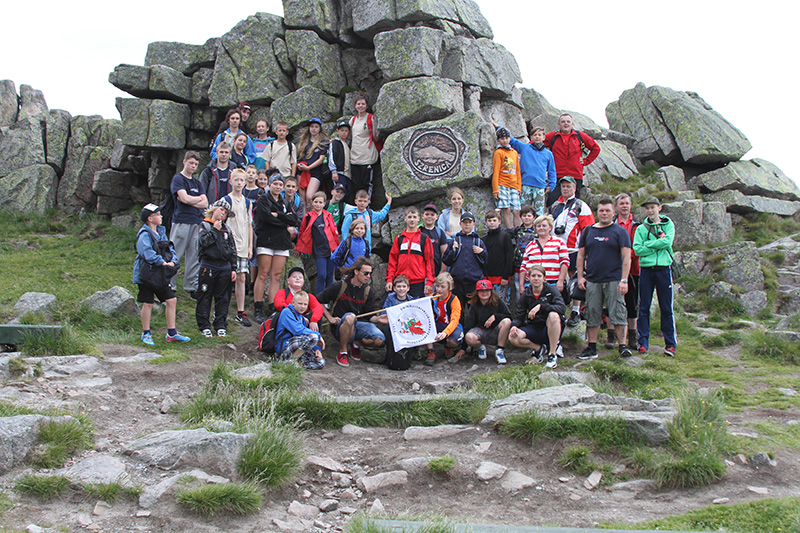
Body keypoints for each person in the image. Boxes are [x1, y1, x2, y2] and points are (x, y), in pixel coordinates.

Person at [575, 198, 632, 360]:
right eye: (601, 210)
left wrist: (624, 280)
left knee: (618, 311)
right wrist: (580, 277)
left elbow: (627, 257)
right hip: (592, 279)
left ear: (613, 213)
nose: (604, 213)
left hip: (614, 279)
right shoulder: (588, 231)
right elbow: (581, 255)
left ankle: (622, 346)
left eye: (607, 211)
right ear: (597, 212)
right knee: (592, 312)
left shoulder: (620, 231)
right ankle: (592, 347)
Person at [134, 204, 190, 345]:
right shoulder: (144, 234)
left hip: (160, 274)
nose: (161, 216)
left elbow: (169, 248)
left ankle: (172, 333)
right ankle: (146, 333)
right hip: (147, 274)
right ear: (150, 219)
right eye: (158, 215)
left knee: (171, 300)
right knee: (148, 303)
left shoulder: (161, 231)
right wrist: (163, 262)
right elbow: (147, 253)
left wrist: (173, 260)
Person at [318, 257, 384, 368]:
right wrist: (330, 318)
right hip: (340, 325)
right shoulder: (339, 286)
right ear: (356, 272)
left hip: (359, 326)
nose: (368, 276)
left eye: (370, 273)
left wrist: (378, 319)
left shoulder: (368, 291)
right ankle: (342, 352)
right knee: (350, 317)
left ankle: (356, 343)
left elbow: (369, 315)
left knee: (379, 340)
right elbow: (317, 301)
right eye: (366, 273)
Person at [633, 197, 677, 357]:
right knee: (643, 307)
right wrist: (657, 244)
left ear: (659, 208)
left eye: (652, 207)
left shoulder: (668, 224)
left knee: (666, 307)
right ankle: (643, 343)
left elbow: (667, 242)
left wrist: (648, 245)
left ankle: (670, 344)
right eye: (647, 208)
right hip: (646, 270)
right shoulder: (641, 228)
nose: (650, 211)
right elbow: (637, 249)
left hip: (663, 269)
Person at [253, 173, 299, 323]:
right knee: (262, 274)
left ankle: (273, 307)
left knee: (277, 276)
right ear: (270, 185)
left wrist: (278, 215)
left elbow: (294, 219)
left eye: (280, 184)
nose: (278, 187)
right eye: (275, 184)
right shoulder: (263, 199)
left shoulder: (285, 201)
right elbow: (266, 218)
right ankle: (258, 307)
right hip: (266, 239)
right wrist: (283, 221)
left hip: (282, 242)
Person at [550, 176, 595, 326]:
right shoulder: (555, 205)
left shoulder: (580, 205)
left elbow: (588, 228)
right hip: (556, 249)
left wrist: (586, 248)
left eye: (568, 186)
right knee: (557, 279)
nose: (565, 189)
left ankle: (576, 311)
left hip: (573, 248)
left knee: (575, 278)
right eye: (563, 186)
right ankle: (558, 309)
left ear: (574, 188)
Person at [494, 124, 557, 216]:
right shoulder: (525, 148)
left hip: (540, 186)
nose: (537, 137)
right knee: (524, 211)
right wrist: (499, 127)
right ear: (531, 137)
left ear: (544, 137)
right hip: (525, 185)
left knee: (539, 213)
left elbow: (552, 171)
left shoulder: (548, 154)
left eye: (539, 135)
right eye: (535, 135)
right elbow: (511, 139)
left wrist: (551, 186)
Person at [509, 265, 565, 369]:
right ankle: (538, 349)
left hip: (550, 328)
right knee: (513, 337)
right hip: (534, 327)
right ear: (529, 278)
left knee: (553, 315)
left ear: (544, 278)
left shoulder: (551, 290)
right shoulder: (526, 294)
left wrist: (541, 307)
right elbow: (519, 315)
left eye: (539, 276)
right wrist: (514, 326)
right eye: (533, 276)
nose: (536, 278)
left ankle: (552, 354)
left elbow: (562, 308)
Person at [196, 199, 238, 338]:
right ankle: (204, 325)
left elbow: (232, 249)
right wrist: (215, 230)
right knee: (205, 296)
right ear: (214, 209)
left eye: (225, 213)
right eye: (221, 210)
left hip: (225, 268)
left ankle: (220, 324)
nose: (222, 214)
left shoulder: (227, 229)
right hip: (208, 266)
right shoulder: (205, 225)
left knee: (223, 298)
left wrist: (233, 268)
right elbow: (203, 243)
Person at [169, 151, 207, 297]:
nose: (193, 166)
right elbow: (183, 198)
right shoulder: (178, 179)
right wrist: (196, 199)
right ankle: (170, 284)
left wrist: (191, 200)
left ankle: (191, 286)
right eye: (191, 163)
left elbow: (205, 203)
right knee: (175, 254)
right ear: (184, 162)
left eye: (196, 164)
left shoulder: (197, 183)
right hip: (181, 221)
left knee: (194, 255)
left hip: (196, 222)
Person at [221, 169, 253, 327]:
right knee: (226, 278)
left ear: (245, 182)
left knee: (241, 278)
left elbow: (249, 225)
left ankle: (240, 311)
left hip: (243, 245)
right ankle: (222, 310)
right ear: (230, 181)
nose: (239, 183)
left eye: (241, 180)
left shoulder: (248, 202)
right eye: (236, 180)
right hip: (228, 246)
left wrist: (250, 246)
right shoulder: (225, 200)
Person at [544, 114, 601, 202]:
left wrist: (586, 161)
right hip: (557, 176)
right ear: (559, 124)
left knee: (573, 204)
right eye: (563, 122)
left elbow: (596, 148)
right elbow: (536, 143)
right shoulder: (553, 136)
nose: (566, 123)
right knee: (553, 203)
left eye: (568, 121)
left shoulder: (579, 135)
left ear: (572, 124)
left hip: (575, 176)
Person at [295, 191, 340, 294]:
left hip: (330, 249)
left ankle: (328, 298)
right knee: (322, 275)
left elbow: (333, 232)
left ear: (324, 203)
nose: (318, 204)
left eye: (320, 202)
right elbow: (302, 232)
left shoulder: (328, 215)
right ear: (312, 202)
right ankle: (320, 298)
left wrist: (336, 248)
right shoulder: (308, 216)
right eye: (316, 202)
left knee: (330, 276)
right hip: (318, 250)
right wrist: (298, 248)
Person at [386, 206, 436, 299]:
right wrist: (389, 279)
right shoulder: (399, 238)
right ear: (405, 218)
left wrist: (429, 282)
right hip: (401, 282)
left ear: (418, 219)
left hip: (418, 283)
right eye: (409, 217)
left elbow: (430, 262)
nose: (412, 220)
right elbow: (392, 261)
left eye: (414, 217)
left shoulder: (424, 238)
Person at [442, 212, 488, 310]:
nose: (467, 224)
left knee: (474, 309)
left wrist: (482, 252)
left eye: (469, 222)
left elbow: (486, 262)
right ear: (460, 224)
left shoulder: (478, 241)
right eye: (465, 222)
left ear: (473, 224)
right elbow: (446, 260)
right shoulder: (455, 240)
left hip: (474, 282)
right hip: (457, 282)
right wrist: (452, 251)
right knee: (458, 310)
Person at [613, 193, 640, 349]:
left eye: (627, 203)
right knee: (612, 302)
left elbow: (639, 247)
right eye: (621, 203)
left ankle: (632, 335)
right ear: (616, 206)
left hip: (633, 270)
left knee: (632, 303)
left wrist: (626, 255)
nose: (624, 206)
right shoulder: (611, 224)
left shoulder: (637, 225)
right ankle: (612, 335)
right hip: (613, 268)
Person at [464, 279, 512, 365]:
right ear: (477, 292)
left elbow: (509, 316)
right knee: (469, 336)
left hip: (496, 332)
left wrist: (495, 317)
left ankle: (500, 350)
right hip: (480, 331)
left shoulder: (498, 301)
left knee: (506, 321)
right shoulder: (474, 305)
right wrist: (463, 348)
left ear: (491, 291)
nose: (484, 293)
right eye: (481, 291)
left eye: (487, 290)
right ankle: (480, 347)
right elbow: (468, 325)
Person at [275, 291, 325, 370]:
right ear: (293, 303)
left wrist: (316, 349)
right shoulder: (286, 312)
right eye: (300, 303)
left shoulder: (301, 317)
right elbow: (297, 331)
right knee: (313, 337)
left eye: (305, 304)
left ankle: (295, 364)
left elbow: (304, 335)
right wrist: (318, 335)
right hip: (284, 346)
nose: (302, 306)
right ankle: (291, 361)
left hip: (297, 347)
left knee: (321, 362)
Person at [374, 275, 417, 369]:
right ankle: (390, 356)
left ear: (408, 288)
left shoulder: (411, 301)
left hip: (405, 325)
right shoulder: (390, 298)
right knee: (387, 330)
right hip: (392, 324)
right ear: (394, 288)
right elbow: (384, 313)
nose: (401, 289)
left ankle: (408, 357)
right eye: (399, 286)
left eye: (404, 286)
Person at [519, 214, 569, 294]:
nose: (541, 228)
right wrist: (521, 286)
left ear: (550, 227)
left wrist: (561, 281)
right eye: (539, 226)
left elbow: (565, 262)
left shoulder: (559, 242)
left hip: (553, 282)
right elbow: (523, 266)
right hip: (532, 284)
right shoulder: (530, 245)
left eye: (544, 226)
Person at [424, 272, 463, 366]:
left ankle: (448, 346)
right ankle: (431, 351)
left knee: (454, 340)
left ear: (449, 288)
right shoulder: (432, 297)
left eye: (443, 287)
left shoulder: (454, 300)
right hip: (436, 325)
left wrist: (445, 333)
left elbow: (455, 320)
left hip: (450, 326)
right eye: (437, 286)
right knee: (426, 325)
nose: (439, 289)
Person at [348, 94, 381, 203]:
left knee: (367, 184)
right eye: (358, 104)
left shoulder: (370, 118)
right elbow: (349, 137)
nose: (360, 106)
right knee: (356, 184)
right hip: (354, 157)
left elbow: (376, 137)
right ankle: (358, 205)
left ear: (367, 105)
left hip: (367, 156)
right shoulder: (353, 120)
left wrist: (373, 128)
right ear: (355, 105)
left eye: (363, 103)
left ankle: (367, 205)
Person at [482, 210, 514, 307]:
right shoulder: (484, 239)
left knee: (501, 305)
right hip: (488, 277)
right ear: (486, 222)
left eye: (494, 220)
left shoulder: (505, 237)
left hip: (501, 278)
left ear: (499, 221)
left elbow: (509, 257)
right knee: (488, 304)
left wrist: (506, 276)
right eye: (489, 221)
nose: (492, 223)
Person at [492, 127, 522, 228]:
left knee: (516, 210)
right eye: (502, 138)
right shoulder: (498, 152)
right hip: (502, 184)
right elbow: (496, 171)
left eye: (507, 138)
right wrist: (495, 189)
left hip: (513, 185)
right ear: (498, 140)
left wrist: (519, 187)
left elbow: (517, 171)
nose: (505, 140)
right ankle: (509, 231)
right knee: (506, 209)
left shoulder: (514, 152)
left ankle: (518, 231)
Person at [297, 117, 329, 206]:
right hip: (302, 171)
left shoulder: (323, 142)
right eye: (312, 126)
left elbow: (321, 159)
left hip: (315, 171)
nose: (314, 129)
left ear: (320, 129)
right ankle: (304, 214)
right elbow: (299, 156)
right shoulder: (304, 141)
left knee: (310, 196)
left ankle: (312, 214)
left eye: (316, 127)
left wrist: (308, 167)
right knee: (302, 198)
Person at [511, 206, 538, 299]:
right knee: (519, 287)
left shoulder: (537, 231)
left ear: (534, 217)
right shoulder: (517, 230)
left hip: (533, 264)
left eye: (529, 216)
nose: (527, 218)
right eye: (524, 216)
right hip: (519, 263)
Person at [420, 204, 449, 275]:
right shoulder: (419, 232)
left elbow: (444, 253)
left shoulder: (440, 233)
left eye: (432, 215)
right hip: (420, 274)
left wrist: (442, 271)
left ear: (437, 217)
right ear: (422, 216)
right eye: (427, 214)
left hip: (436, 273)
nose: (429, 217)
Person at [328, 120, 352, 198]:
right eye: (342, 130)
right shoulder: (335, 143)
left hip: (347, 174)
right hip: (339, 172)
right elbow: (331, 157)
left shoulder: (348, 144)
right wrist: (334, 171)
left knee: (346, 193)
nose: (344, 133)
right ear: (337, 131)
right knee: (339, 193)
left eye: (346, 131)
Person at [282, 176, 305, 242]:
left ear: (296, 189)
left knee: (290, 231)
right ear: (284, 187)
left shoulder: (299, 202)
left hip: (294, 227)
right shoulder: (278, 199)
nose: (290, 189)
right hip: (279, 225)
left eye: (293, 187)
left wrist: (288, 219)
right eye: (288, 186)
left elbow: (299, 220)